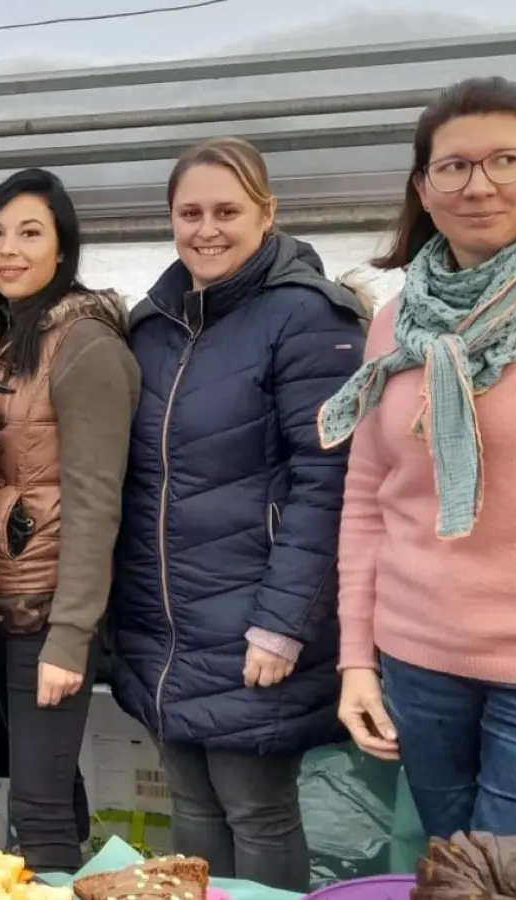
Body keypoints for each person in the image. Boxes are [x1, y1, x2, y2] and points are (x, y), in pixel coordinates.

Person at [110, 138, 367, 891]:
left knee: (255, 807)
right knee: (189, 804)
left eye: (227, 211)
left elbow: (330, 484)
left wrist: (283, 624)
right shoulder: (153, 327)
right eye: (189, 213)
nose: (206, 229)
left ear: (268, 213)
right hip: (167, 622)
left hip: (254, 619)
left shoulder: (307, 319)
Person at [326, 76, 516, 853]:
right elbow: (367, 498)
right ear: (423, 190)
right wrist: (357, 660)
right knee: (449, 869)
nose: (479, 185)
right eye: (453, 167)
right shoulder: (397, 322)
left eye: (504, 160)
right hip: (418, 660)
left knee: (513, 878)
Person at [0, 168, 141, 871]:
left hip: (46, 613)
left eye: (30, 233)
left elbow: (96, 501)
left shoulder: (86, 346)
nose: (9, 249)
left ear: (62, 251)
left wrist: (70, 636)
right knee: (48, 788)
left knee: (36, 807)